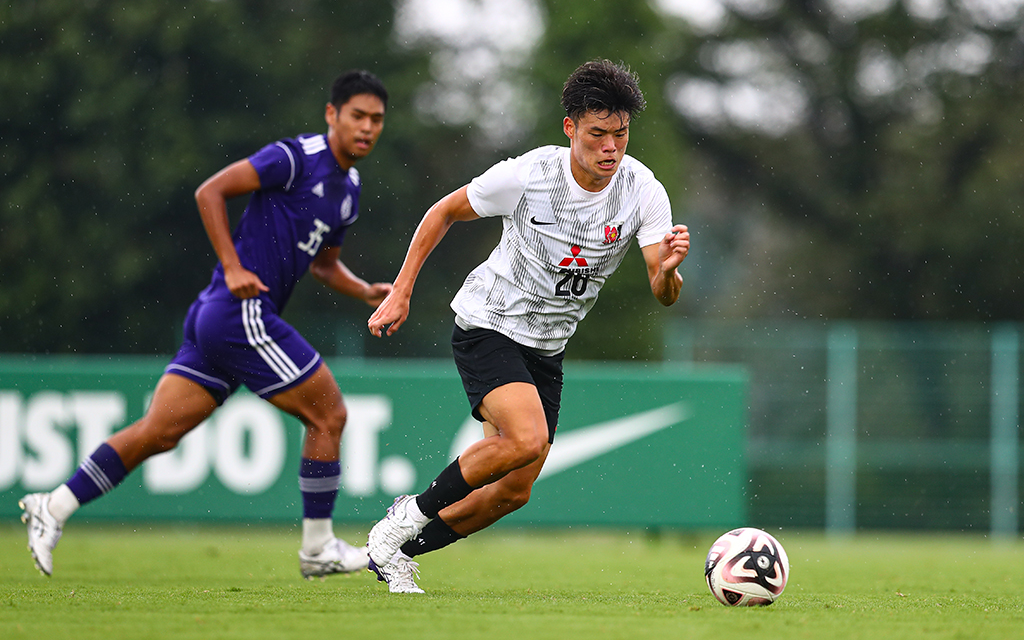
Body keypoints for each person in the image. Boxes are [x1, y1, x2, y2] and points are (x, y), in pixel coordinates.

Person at [19, 70, 393, 580]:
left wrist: (364, 288)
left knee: (158, 432)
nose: (367, 127)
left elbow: (325, 265)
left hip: (218, 317)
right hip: (241, 313)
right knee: (329, 416)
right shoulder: (294, 158)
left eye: (376, 119)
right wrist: (234, 265)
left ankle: (53, 506)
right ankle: (318, 547)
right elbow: (210, 191)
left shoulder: (348, 188)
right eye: (358, 116)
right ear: (332, 115)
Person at [363, 59, 690, 593]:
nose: (611, 148)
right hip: (488, 323)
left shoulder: (642, 190)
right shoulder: (529, 175)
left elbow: (663, 291)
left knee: (514, 492)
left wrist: (671, 270)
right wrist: (401, 290)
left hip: (547, 348)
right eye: (598, 134)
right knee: (526, 437)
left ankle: (394, 550)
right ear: (570, 129)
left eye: (621, 134)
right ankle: (406, 515)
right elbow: (442, 211)